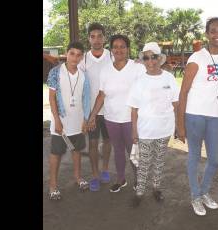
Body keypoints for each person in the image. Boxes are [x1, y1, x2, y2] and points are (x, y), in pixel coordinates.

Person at [177, 17, 218, 216]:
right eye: (213, 30)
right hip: (194, 115)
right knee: (194, 156)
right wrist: (179, 124)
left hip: (215, 116)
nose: (217, 34)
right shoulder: (197, 57)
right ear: (207, 34)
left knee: (215, 159)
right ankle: (195, 196)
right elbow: (183, 92)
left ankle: (203, 191)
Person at [88, 34, 145, 193]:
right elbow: (101, 95)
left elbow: (146, 89)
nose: (119, 50)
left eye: (122, 46)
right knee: (118, 151)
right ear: (111, 49)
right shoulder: (106, 70)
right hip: (111, 118)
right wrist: (92, 116)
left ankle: (139, 180)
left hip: (131, 119)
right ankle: (121, 179)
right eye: (115, 47)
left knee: (133, 151)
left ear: (128, 49)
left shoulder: (137, 67)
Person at [127, 42, 180, 206]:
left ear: (159, 58)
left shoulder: (169, 78)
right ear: (143, 60)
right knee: (144, 163)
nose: (150, 61)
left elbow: (176, 104)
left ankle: (156, 188)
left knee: (159, 161)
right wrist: (134, 131)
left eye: (153, 57)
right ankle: (139, 193)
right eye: (146, 58)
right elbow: (134, 109)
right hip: (145, 130)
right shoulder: (139, 81)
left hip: (165, 129)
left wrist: (178, 126)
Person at [46, 41, 91, 200]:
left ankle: (78, 177)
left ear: (82, 57)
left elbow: (85, 99)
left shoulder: (83, 75)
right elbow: (51, 99)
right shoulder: (56, 72)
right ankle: (53, 186)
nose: (75, 57)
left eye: (79, 55)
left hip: (78, 122)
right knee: (56, 153)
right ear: (67, 53)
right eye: (72, 53)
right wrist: (57, 120)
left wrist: (85, 119)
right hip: (61, 123)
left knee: (76, 150)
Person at [78, 22, 113, 192]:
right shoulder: (83, 59)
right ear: (89, 39)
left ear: (104, 38)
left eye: (100, 36)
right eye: (93, 36)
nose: (96, 39)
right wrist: (86, 114)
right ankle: (94, 175)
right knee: (92, 143)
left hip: (110, 110)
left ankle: (105, 169)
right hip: (91, 111)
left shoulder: (112, 56)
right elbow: (79, 87)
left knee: (107, 141)